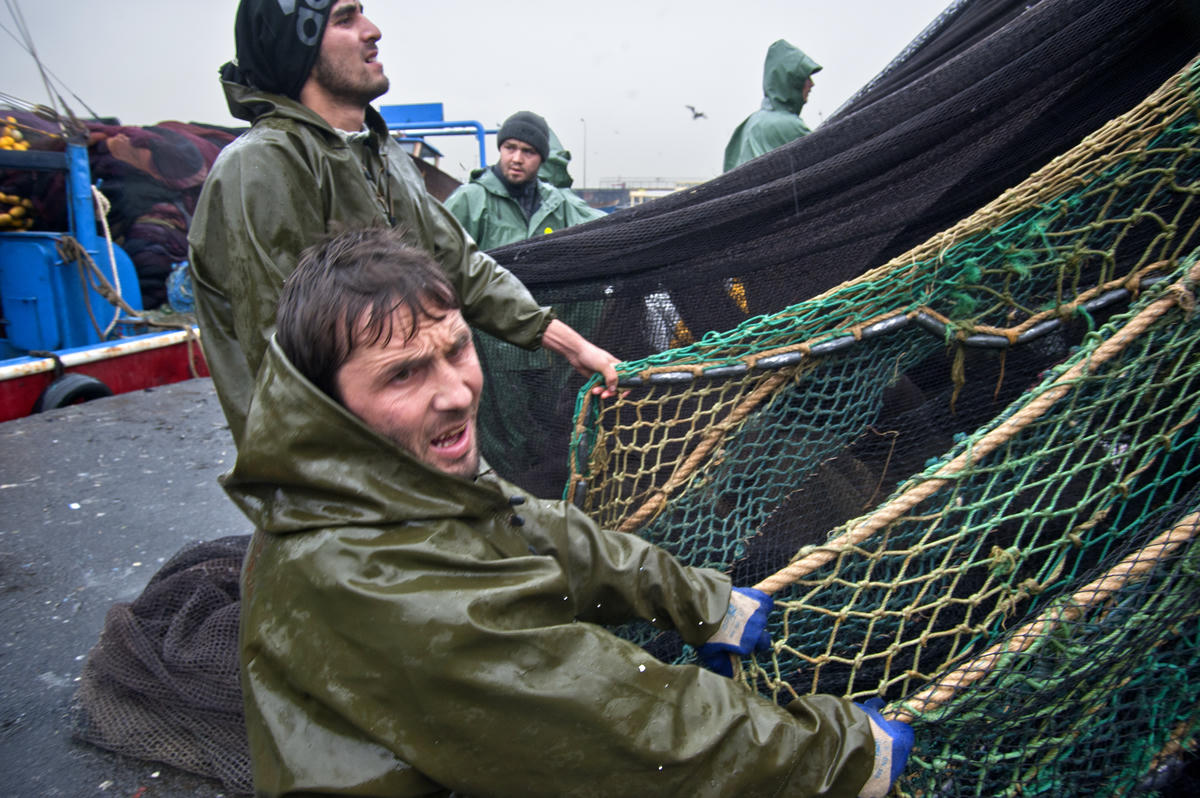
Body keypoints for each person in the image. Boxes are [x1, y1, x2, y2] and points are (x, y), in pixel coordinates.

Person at [224, 227, 914, 797]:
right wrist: (844, 756)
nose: (458, 394)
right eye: (404, 373)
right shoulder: (359, 573)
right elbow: (606, 712)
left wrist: (700, 600)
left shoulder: (387, 471)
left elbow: (535, 526)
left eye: (457, 348)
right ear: (329, 404)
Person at [187, 0, 617, 448]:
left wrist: (573, 346)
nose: (372, 31)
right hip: (338, 470)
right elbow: (281, 354)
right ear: (298, 51)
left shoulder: (387, 157)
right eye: (345, 19)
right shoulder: (264, 164)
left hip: (411, 446)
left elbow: (461, 266)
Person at [444, 110, 606, 251]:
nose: (517, 159)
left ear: (542, 158)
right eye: (510, 148)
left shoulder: (557, 203)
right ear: (500, 148)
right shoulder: (470, 199)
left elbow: (602, 229)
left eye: (528, 152)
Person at [724, 39, 822, 172]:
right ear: (792, 80)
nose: (812, 84)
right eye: (806, 78)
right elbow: (824, 164)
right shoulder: (788, 125)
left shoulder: (750, 122)